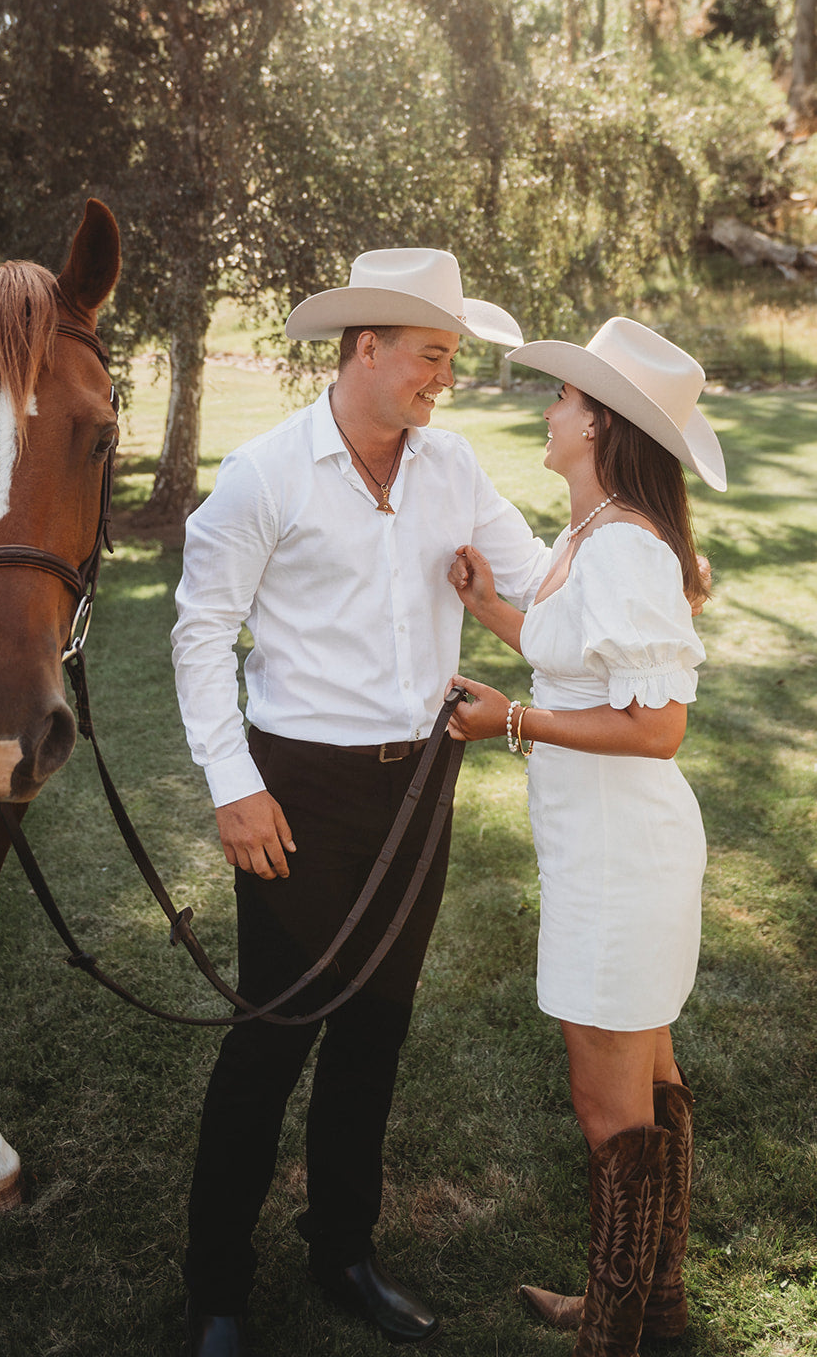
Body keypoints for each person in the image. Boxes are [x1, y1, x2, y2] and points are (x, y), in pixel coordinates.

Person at [170, 246, 554, 1357]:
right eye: (432, 355)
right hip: (296, 789)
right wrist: (232, 784)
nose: (446, 378)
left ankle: (343, 1249)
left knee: (375, 1032)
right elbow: (199, 632)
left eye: (452, 358)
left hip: (424, 782)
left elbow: (533, 581)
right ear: (366, 346)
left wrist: (631, 565)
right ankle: (217, 1289)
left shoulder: (453, 467)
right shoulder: (265, 472)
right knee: (271, 1036)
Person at [444, 317, 727, 1357]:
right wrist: (495, 613)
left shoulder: (627, 550)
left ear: (599, 423)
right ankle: (655, 1308)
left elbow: (657, 725)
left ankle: (613, 1333)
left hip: (623, 860)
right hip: (597, 849)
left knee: (608, 1102)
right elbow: (581, 655)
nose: (550, 408)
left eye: (565, 398)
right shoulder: (587, 533)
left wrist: (508, 722)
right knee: (645, 1083)